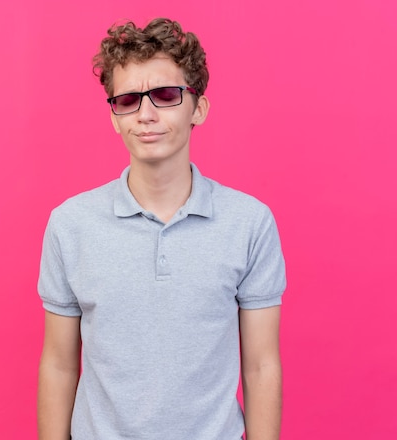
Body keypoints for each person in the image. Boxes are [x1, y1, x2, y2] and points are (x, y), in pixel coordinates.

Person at [37, 17, 287, 440]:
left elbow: (261, 365)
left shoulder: (249, 222)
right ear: (114, 117)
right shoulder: (70, 224)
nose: (145, 114)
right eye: (128, 100)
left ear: (199, 108)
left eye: (166, 95)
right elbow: (59, 364)